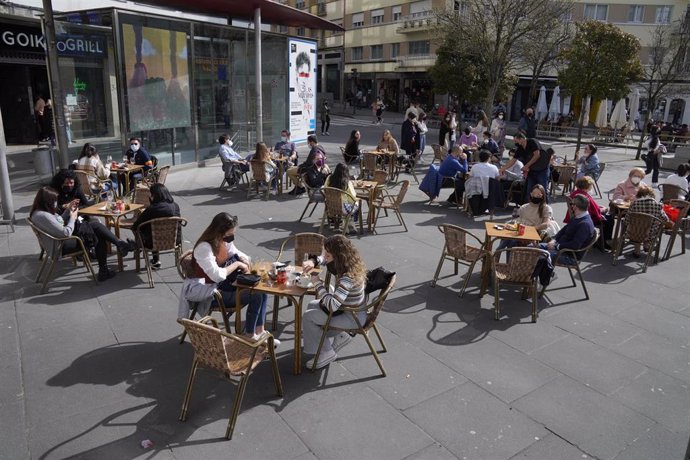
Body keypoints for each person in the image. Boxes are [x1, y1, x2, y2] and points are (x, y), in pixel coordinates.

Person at [191, 212, 275, 344]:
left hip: (225, 285)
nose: (231, 238)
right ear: (219, 232)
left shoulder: (223, 241)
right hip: (211, 293)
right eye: (229, 235)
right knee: (256, 295)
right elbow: (217, 275)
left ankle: (259, 331)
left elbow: (236, 252)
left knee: (262, 290)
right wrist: (237, 264)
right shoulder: (204, 248)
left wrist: (244, 260)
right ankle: (249, 335)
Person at [30, 186, 136, 281]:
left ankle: (116, 251)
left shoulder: (39, 212)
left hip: (59, 242)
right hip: (61, 246)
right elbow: (65, 232)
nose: (56, 202)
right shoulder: (44, 216)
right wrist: (73, 217)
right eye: (54, 200)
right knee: (96, 230)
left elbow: (58, 222)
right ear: (47, 201)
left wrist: (68, 210)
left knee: (95, 228)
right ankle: (118, 248)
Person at [301, 235, 367, 369]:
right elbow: (325, 259)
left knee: (308, 317)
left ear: (338, 257)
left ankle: (326, 352)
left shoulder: (347, 277)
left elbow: (332, 306)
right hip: (354, 309)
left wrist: (317, 284)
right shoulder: (349, 263)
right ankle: (335, 338)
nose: (325, 258)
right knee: (312, 305)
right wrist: (314, 261)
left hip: (352, 317)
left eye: (328, 256)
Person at [131, 184, 181, 269]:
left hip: (153, 243)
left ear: (154, 195)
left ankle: (140, 247)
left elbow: (136, 226)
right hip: (175, 240)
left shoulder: (152, 209)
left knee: (143, 230)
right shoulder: (175, 206)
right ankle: (155, 260)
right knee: (155, 229)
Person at [540, 194, 595, 265]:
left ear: (575, 206)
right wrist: (554, 240)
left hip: (569, 256)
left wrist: (557, 246)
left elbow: (575, 245)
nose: (571, 205)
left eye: (571, 203)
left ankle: (538, 274)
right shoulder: (577, 217)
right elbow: (563, 230)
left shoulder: (584, 224)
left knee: (539, 256)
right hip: (559, 248)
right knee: (531, 248)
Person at [566, 176, 614, 249]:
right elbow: (595, 211)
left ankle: (601, 240)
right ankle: (604, 242)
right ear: (588, 186)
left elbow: (591, 208)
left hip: (575, 216)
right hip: (586, 219)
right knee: (610, 219)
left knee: (607, 216)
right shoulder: (584, 196)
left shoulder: (575, 193)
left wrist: (598, 207)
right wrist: (603, 209)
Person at [502, 133, 551, 203]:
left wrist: (526, 166)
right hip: (532, 170)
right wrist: (503, 168)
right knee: (529, 190)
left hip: (542, 169)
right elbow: (513, 160)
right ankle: (529, 208)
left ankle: (544, 209)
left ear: (521, 139)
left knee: (543, 189)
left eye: (516, 141)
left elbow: (537, 155)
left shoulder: (532, 142)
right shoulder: (520, 148)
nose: (515, 143)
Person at [626, 184, 670, 257]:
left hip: (633, 232)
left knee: (638, 227)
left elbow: (627, 220)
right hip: (650, 234)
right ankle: (647, 245)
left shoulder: (634, 204)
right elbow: (665, 219)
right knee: (653, 227)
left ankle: (637, 251)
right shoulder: (658, 205)